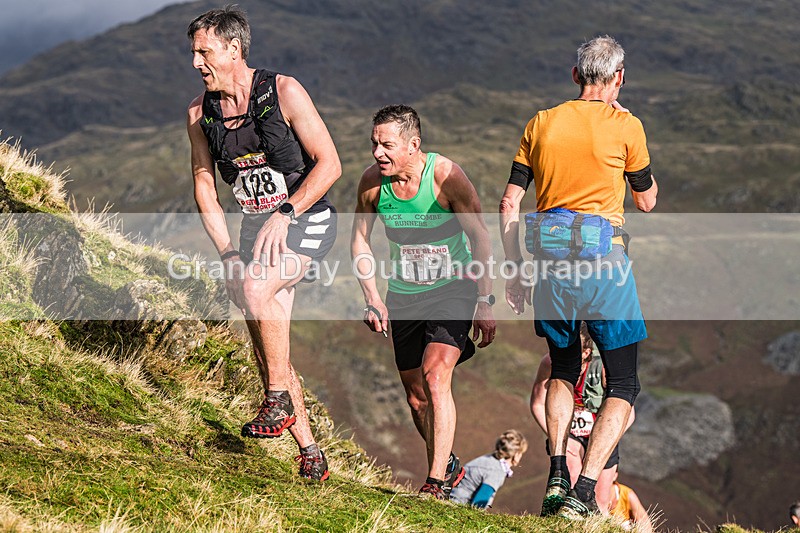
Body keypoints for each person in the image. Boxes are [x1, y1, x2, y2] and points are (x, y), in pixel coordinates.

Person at [499, 35, 658, 518]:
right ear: (619, 78)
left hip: (549, 268)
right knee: (624, 383)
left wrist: (514, 270)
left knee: (564, 369)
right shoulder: (627, 127)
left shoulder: (540, 123)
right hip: (604, 266)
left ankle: (555, 476)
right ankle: (585, 490)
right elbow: (647, 201)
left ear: (574, 76)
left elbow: (509, 202)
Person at [186, 6, 341, 481]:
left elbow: (330, 164)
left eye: (204, 52)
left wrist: (287, 211)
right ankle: (310, 451)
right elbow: (205, 186)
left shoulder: (284, 91)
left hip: (307, 218)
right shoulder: (199, 113)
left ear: (233, 49)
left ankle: (276, 399)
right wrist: (228, 253)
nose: (196, 63)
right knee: (267, 344)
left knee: (256, 293)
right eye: (193, 53)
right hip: (255, 230)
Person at [351, 104, 496, 500]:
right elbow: (359, 239)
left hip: (454, 287)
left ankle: (434, 485)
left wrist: (485, 300)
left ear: (414, 145)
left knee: (435, 376)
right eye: (374, 144)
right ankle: (447, 464)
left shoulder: (446, 177)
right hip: (405, 295)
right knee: (416, 397)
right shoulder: (371, 183)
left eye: (387, 145)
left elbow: (480, 237)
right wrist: (372, 298)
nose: (378, 153)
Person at [531, 322, 636, 514]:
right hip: (570, 434)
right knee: (570, 473)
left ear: (586, 353)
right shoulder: (550, 362)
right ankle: (561, 517)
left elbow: (628, 413)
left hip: (601, 432)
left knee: (601, 499)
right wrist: (563, 439)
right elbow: (538, 404)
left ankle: (591, 522)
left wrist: (606, 441)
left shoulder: (604, 368)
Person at [450, 430, 528, 508]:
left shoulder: (490, 459)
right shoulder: (496, 471)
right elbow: (478, 504)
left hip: (452, 498)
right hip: (458, 505)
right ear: (516, 454)